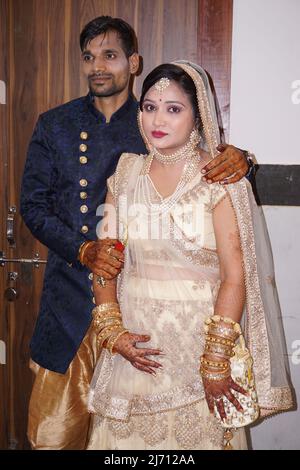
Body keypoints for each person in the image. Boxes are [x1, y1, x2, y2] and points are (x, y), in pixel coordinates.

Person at [21, 17, 251, 450]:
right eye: (88, 57)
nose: (97, 67)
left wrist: (244, 159)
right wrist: (84, 249)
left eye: (109, 55)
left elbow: (206, 166)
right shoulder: (55, 124)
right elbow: (33, 206)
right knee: (53, 436)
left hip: (147, 318)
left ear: (134, 62)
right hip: (72, 302)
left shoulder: (152, 124)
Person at [87, 61, 293, 450]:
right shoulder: (126, 172)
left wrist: (216, 359)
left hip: (199, 354)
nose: (157, 120)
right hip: (135, 350)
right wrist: (112, 332)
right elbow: (105, 260)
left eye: (173, 108)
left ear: (197, 114)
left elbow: (236, 277)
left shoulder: (220, 178)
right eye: (149, 107)